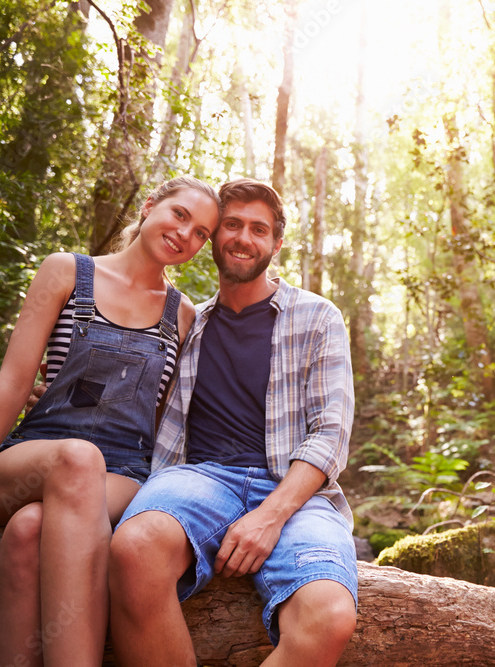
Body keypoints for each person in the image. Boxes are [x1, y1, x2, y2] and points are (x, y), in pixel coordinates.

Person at [0, 176, 220, 666]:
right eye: (180, 214)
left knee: (29, 530)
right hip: (29, 459)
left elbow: (162, 422)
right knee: (76, 458)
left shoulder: (184, 317)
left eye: (201, 233)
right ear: (150, 205)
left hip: (121, 476)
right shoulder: (66, 271)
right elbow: (11, 385)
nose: (185, 234)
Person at [108, 178, 358, 667]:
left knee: (329, 616)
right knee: (135, 547)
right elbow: (132, 394)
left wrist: (270, 516)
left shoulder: (318, 317)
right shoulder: (186, 322)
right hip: (199, 479)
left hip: (296, 493)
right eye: (233, 225)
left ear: (276, 244)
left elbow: (331, 435)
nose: (244, 238)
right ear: (213, 237)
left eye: (259, 229)